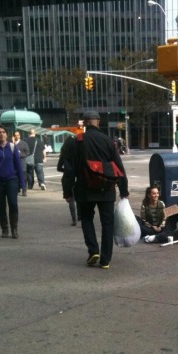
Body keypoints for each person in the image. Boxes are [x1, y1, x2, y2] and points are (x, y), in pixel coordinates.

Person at [61, 109, 129, 269]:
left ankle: (93, 251)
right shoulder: (108, 141)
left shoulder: (76, 141)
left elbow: (69, 170)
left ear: (84, 123)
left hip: (84, 188)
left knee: (86, 219)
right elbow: (119, 167)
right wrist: (123, 190)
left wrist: (67, 191)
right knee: (107, 223)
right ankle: (105, 259)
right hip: (107, 188)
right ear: (98, 122)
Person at [57, 141, 80, 226]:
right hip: (78, 177)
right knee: (78, 198)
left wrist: (66, 170)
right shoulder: (78, 154)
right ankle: (80, 216)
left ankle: (74, 219)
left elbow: (59, 168)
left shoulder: (64, 155)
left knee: (70, 199)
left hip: (67, 178)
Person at [12, 131, 30, 196]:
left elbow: (27, 152)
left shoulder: (24, 143)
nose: (17, 136)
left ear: (20, 136)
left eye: (18, 135)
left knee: (23, 177)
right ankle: (17, 189)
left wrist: (20, 154)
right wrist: (13, 143)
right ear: (13, 136)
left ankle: (24, 190)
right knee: (15, 178)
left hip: (22, 163)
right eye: (15, 135)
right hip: (14, 164)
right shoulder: (11, 144)